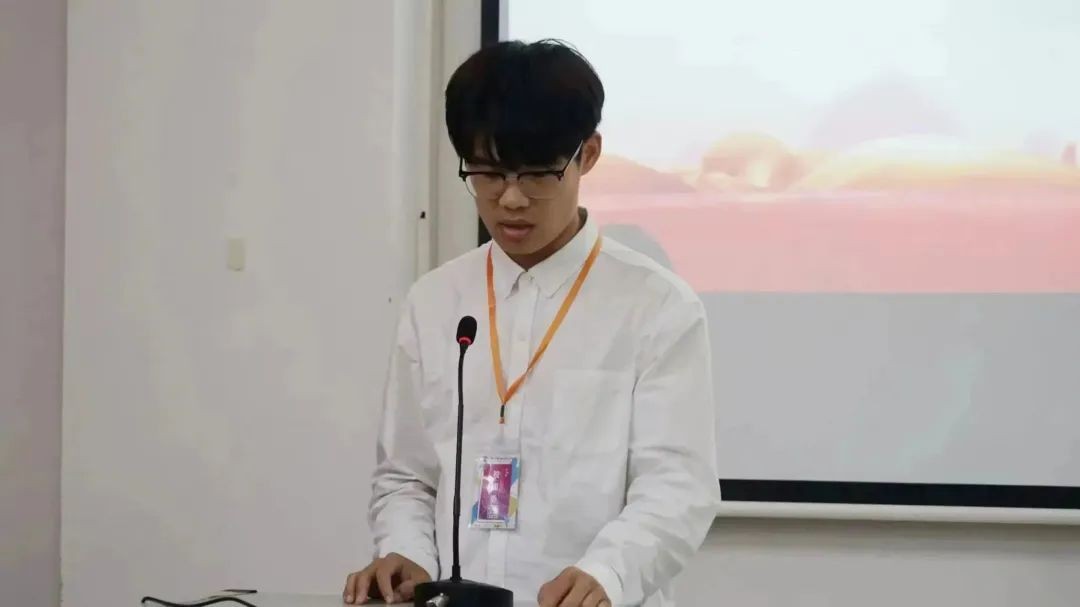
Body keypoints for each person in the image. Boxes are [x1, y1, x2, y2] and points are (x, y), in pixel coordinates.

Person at [344, 39, 720, 607]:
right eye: (489, 174)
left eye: (538, 174)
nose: (511, 199)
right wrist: (406, 552)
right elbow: (407, 475)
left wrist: (609, 573)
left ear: (587, 154)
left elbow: (678, 486)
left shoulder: (657, 307)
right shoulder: (435, 302)